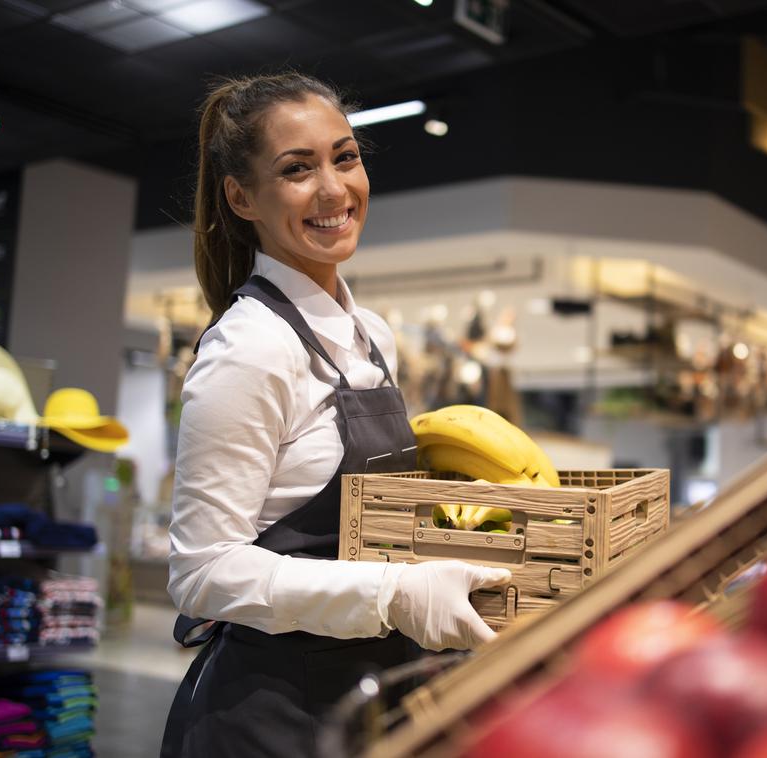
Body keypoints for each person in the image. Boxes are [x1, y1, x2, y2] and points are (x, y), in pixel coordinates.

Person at [160, 72, 511, 757]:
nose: (332, 189)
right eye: (297, 169)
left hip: (368, 692)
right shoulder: (250, 349)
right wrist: (395, 594)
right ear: (241, 197)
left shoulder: (370, 334)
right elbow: (201, 572)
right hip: (270, 714)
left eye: (344, 157)